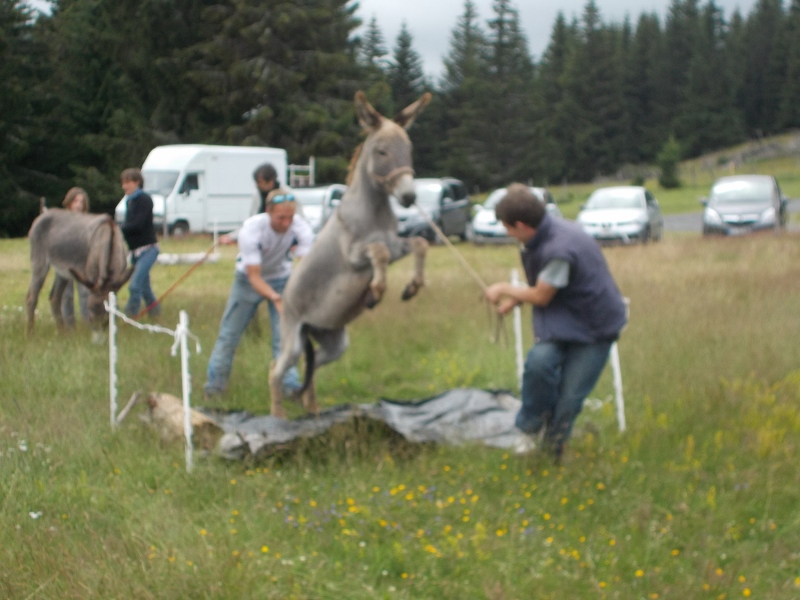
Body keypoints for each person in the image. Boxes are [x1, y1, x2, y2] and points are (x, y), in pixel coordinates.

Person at [484, 184, 627, 462]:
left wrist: (504, 288)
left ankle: (551, 457)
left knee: (569, 399)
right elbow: (549, 283)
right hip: (565, 316)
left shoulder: (560, 248)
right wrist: (516, 301)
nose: (506, 233)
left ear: (523, 225)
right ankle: (529, 428)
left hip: (595, 326)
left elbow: (541, 295)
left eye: (507, 227)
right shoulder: (547, 233)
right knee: (539, 363)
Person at [205, 188, 314, 399]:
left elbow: (304, 266)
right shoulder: (252, 230)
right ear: (268, 212)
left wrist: (294, 295)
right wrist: (274, 297)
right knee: (229, 335)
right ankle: (215, 387)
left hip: (282, 278)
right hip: (247, 281)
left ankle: (290, 387)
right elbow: (254, 276)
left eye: (290, 217)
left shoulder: (301, 227)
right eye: (280, 218)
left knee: (284, 337)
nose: (286, 223)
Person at [119, 167, 160, 318]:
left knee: (134, 285)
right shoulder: (130, 201)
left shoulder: (144, 200)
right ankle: (155, 314)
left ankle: (130, 317)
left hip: (148, 249)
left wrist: (119, 229)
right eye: (123, 183)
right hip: (135, 251)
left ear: (137, 182)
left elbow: (138, 224)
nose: (124, 186)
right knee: (144, 287)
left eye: (128, 183)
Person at [52, 187, 92, 326]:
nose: (78, 204)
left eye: (81, 201)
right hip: (64, 263)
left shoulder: (87, 222)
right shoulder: (60, 221)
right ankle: (69, 326)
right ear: (69, 202)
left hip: (82, 263)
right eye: (75, 201)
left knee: (85, 293)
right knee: (65, 295)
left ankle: (88, 324)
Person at [218, 163, 279, 245]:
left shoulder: (287, 195)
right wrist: (231, 236)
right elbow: (251, 224)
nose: (256, 185)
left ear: (271, 181)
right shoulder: (257, 196)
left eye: (260, 182)